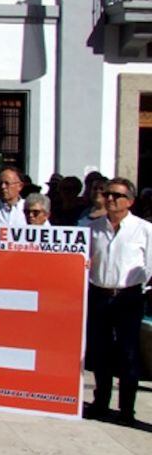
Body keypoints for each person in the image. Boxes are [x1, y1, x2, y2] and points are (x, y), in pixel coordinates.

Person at [85, 178, 151, 425]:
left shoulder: (144, 229)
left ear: (130, 201)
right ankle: (100, 402)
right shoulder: (94, 228)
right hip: (100, 294)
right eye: (108, 194)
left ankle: (126, 409)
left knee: (128, 354)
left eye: (116, 195)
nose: (110, 198)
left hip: (129, 296)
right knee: (100, 353)